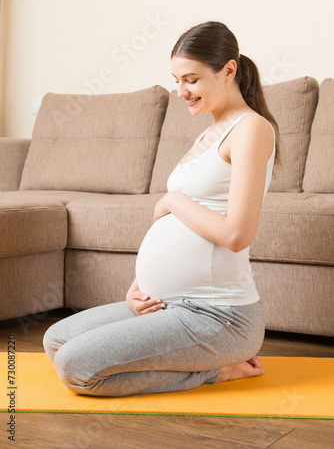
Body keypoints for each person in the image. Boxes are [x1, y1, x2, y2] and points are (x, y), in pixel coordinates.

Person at [43, 21, 280, 397]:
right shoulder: (208, 133)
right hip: (167, 305)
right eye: (176, 80)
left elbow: (237, 235)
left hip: (219, 317)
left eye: (191, 79)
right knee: (57, 339)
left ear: (229, 71)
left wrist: (173, 201)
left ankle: (217, 371)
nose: (181, 91)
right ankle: (189, 357)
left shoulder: (251, 128)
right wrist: (140, 286)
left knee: (76, 366)